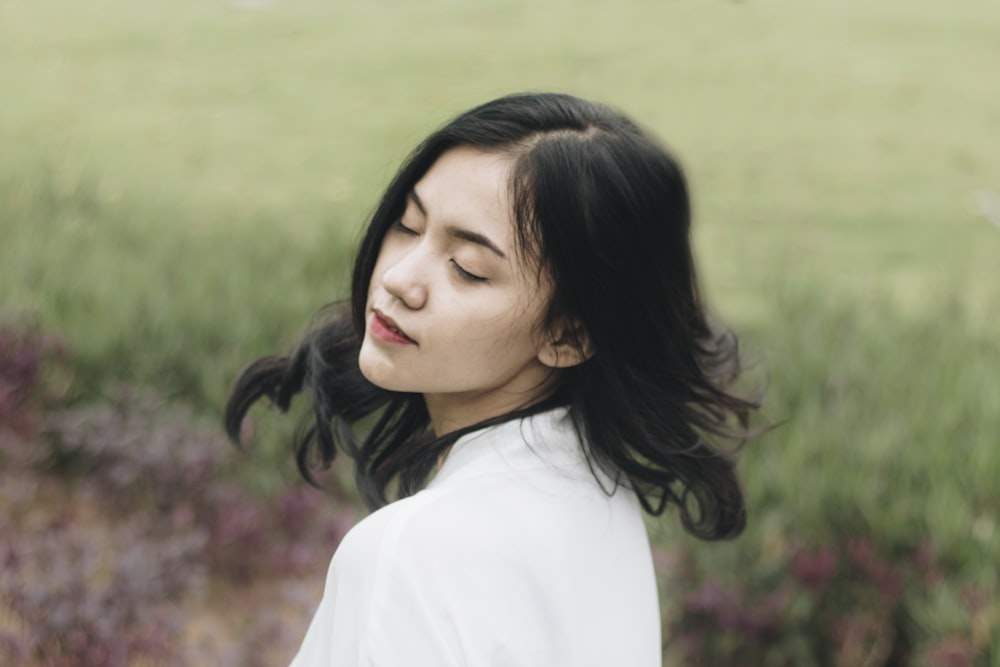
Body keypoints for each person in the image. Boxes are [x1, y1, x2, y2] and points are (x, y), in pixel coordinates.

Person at [224, 92, 760, 667]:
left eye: (467, 268)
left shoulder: (412, 554)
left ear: (570, 336)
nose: (402, 278)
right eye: (408, 225)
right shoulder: (599, 500)